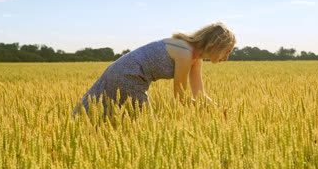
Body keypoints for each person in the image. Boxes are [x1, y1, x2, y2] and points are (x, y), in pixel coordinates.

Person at [75, 22, 236, 115]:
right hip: (128, 75)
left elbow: (199, 94)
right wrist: (209, 113)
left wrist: (219, 110)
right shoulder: (185, 53)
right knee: (145, 124)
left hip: (122, 72)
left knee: (116, 119)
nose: (227, 57)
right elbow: (180, 96)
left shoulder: (195, 58)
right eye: (227, 51)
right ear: (215, 45)